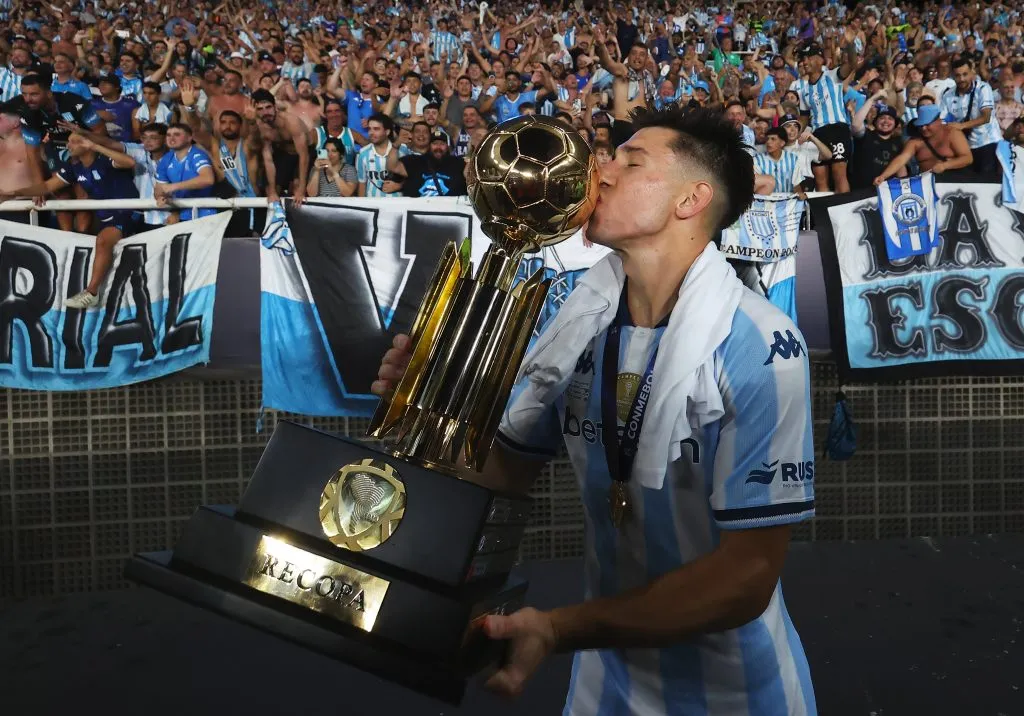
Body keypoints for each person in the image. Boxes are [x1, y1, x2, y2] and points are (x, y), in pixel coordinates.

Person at [372, 107, 816, 715]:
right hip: (604, 686)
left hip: (737, 693)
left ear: (692, 199)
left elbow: (746, 579)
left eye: (630, 162)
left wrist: (558, 629)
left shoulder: (759, 344)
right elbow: (501, 475)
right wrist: (422, 404)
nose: (598, 172)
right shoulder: (577, 326)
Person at [0, 131, 140, 309]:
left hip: (128, 212)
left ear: (87, 143)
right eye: (69, 142)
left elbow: (130, 162)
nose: (68, 146)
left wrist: (95, 145)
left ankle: (91, 293)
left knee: (103, 241)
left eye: (74, 142)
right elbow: (46, 186)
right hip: (105, 216)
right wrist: (12, 194)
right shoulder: (74, 167)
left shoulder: (105, 160)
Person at [873, 105, 973, 184]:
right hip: (929, 185)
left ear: (938, 121)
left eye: (927, 124)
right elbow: (902, 158)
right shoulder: (916, 141)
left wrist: (945, 166)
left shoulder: (952, 133)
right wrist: (883, 176)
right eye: (921, 125)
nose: (923, 128)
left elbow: (967, 158)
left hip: (954, 183)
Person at [251, 88, 314, 203]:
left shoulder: (291, 122)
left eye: (268, 107)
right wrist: (273, 190)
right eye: (260, 109)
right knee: (271, 191)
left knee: (297, 189)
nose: (265, 112)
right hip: (284, 154)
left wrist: (301, 188)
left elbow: (304, 156)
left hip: (305, 153)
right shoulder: (261, 127)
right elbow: (268, 159)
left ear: (275, 107)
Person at [153, 123, 217, 222]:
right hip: (182, 214)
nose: (171, 138)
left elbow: (208, 179)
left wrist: (175, 186)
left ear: (189, 138)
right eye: (168, 135)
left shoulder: (197, 155)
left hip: (206, 213)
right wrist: (162, 196)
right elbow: (160, 189)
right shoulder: (166, 159)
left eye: (177, 135)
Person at [388, 128, 467, 197]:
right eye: (434, 144)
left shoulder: (458, 163)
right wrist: (396, 145)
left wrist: (474, 150)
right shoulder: (415, 161)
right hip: (418, 211)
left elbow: (470, 176)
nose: (438, 147)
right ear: (429, 146)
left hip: (450, 211)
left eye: (442, 144)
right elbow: (392, 167)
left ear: (447, 147)